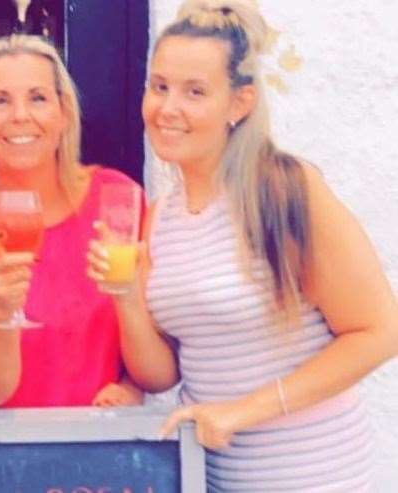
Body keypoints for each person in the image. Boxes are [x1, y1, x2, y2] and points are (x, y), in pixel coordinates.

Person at [87, 0, 398, 490]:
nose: (168, 108)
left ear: (240, 103)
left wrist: (242, 411)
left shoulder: (283, 190)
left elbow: (379, 331)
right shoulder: (161, 215)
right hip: (217, 479)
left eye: (195, 92)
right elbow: (161, 375)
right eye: (159, 86)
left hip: (317, 478)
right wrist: (124, 294)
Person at [0, 34, 143, 409]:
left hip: (104, 448)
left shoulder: (116, 198)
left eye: (38, 98)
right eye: (0, 101)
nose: (20, 116)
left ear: (63, 113)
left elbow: (154, 333)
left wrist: (132, 387)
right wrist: (2, 309)